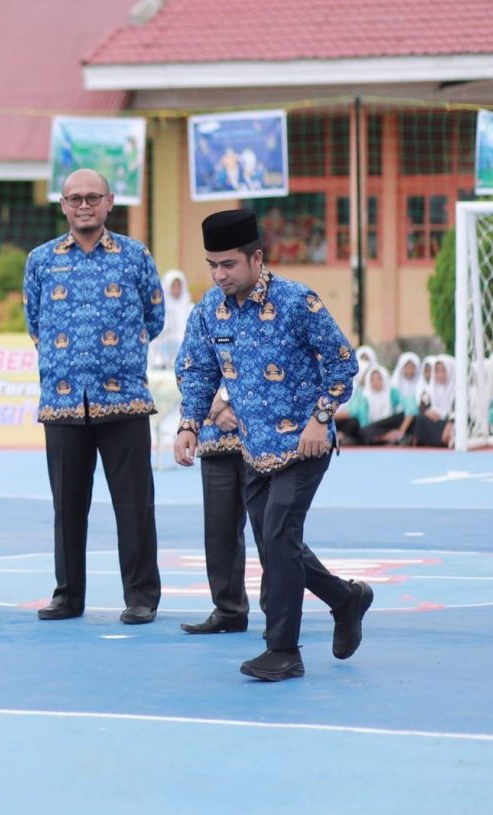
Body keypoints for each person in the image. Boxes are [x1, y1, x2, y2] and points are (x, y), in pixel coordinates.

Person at [174, 209, 372, 682]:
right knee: (278, 547)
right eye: (212, 265)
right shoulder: (208, 312)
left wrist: (320, 418)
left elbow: (343, 364)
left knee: (279, 535)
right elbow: (199, 371)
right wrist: (188, 425)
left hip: (306, 445)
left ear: (256, 258)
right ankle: (347, 599)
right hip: (253, 449)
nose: (220, 275)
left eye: (229, 265)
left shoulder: (297, 302)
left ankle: (283, 650)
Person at [23, 168, 164, 625]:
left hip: (124, 400)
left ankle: (141, 596)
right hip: (63, 403)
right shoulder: (41, 260)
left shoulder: (134, 255)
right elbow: (35, 323)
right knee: (67, 506)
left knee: (135, 506)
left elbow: (154, 315)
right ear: (62, 205)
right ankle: (68, 595)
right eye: (74, 198)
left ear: (109, 202)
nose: (83, 205)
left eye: (92, 197)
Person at [176, 381, 264, 634]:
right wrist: (211, 411)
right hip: (214, 439)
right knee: (219, 531)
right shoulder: (197, 337)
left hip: (261, 438)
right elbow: (189, 368)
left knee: (271, 530)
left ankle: (280, 614)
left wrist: (224, 398)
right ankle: (229, 610)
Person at [149, 269, 193, 370]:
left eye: (179, 286)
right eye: (173, 286)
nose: (176, 290)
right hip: (164, 351)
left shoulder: (190, 308)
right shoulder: (160, 309)